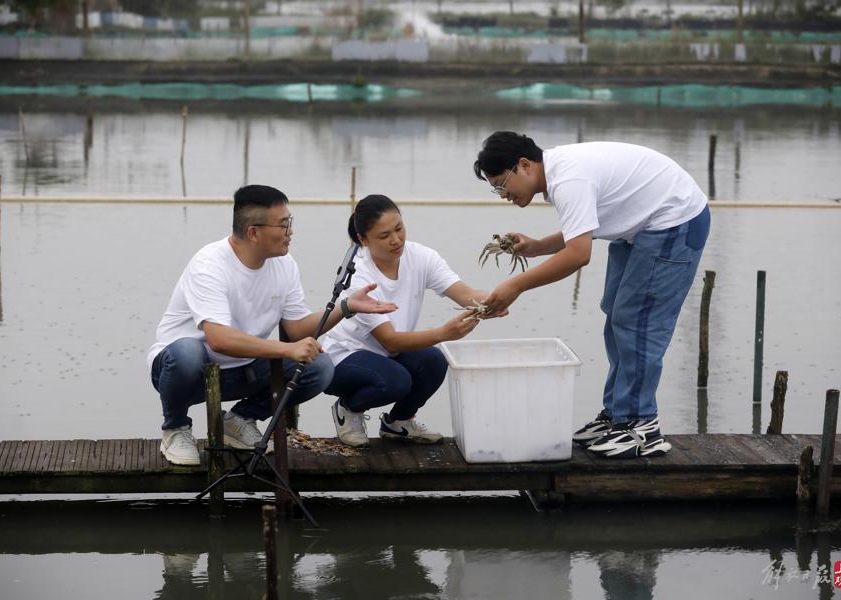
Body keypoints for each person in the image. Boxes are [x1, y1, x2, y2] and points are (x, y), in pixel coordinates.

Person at [473, 132, 710, 459]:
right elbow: (581, 230)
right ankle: (617, 415)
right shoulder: (560, 172)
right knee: (616, 315)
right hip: (643, 226)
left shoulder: (568, 179)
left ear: (524, 165)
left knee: (637, 323)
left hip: (674, 222)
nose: (502, 195)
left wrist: (515, 285)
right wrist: (538, 246)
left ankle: (641, 426)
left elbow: (578, 254)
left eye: (501, 184)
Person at [147, 185, 396, 466]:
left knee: (320, 367)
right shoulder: (209, 265)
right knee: (187, 351)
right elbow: (218, 339)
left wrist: (347, 307)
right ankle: (176, 427)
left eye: (290, 222)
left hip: (244, 369)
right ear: (253, 232)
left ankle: (239, 421)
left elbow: (298, 328)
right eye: (283, 224)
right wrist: (286, 350)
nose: (290, 231)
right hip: (186, 373)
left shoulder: (284, 264)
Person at [322, 194, 501, 447]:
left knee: (435, 362)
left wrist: (498, 298)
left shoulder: (420, 256)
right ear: (363, 240)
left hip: (388, 355)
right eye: (384, 236)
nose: (396, 240)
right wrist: (444, 333)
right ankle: (348, 409)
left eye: (399, 228)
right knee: (396, 381)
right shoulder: (358, 275)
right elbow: (390, 341)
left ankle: (399, 422)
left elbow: (466, 295)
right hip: (345, 357)